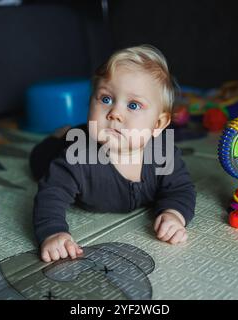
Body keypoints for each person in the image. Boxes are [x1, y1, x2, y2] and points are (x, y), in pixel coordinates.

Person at [31, 45, 196, 262]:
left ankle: (70, 130)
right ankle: (62, 134)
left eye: (134, 105)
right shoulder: (77, 157)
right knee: (42, 157)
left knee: (81, 132)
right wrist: (53, 232)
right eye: (106, 99)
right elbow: (51, 193)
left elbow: (181, 188)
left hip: (91, 134)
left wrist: (174, 213)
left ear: (158, 123)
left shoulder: (163, 153)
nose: (115, 113)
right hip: (57, 150)